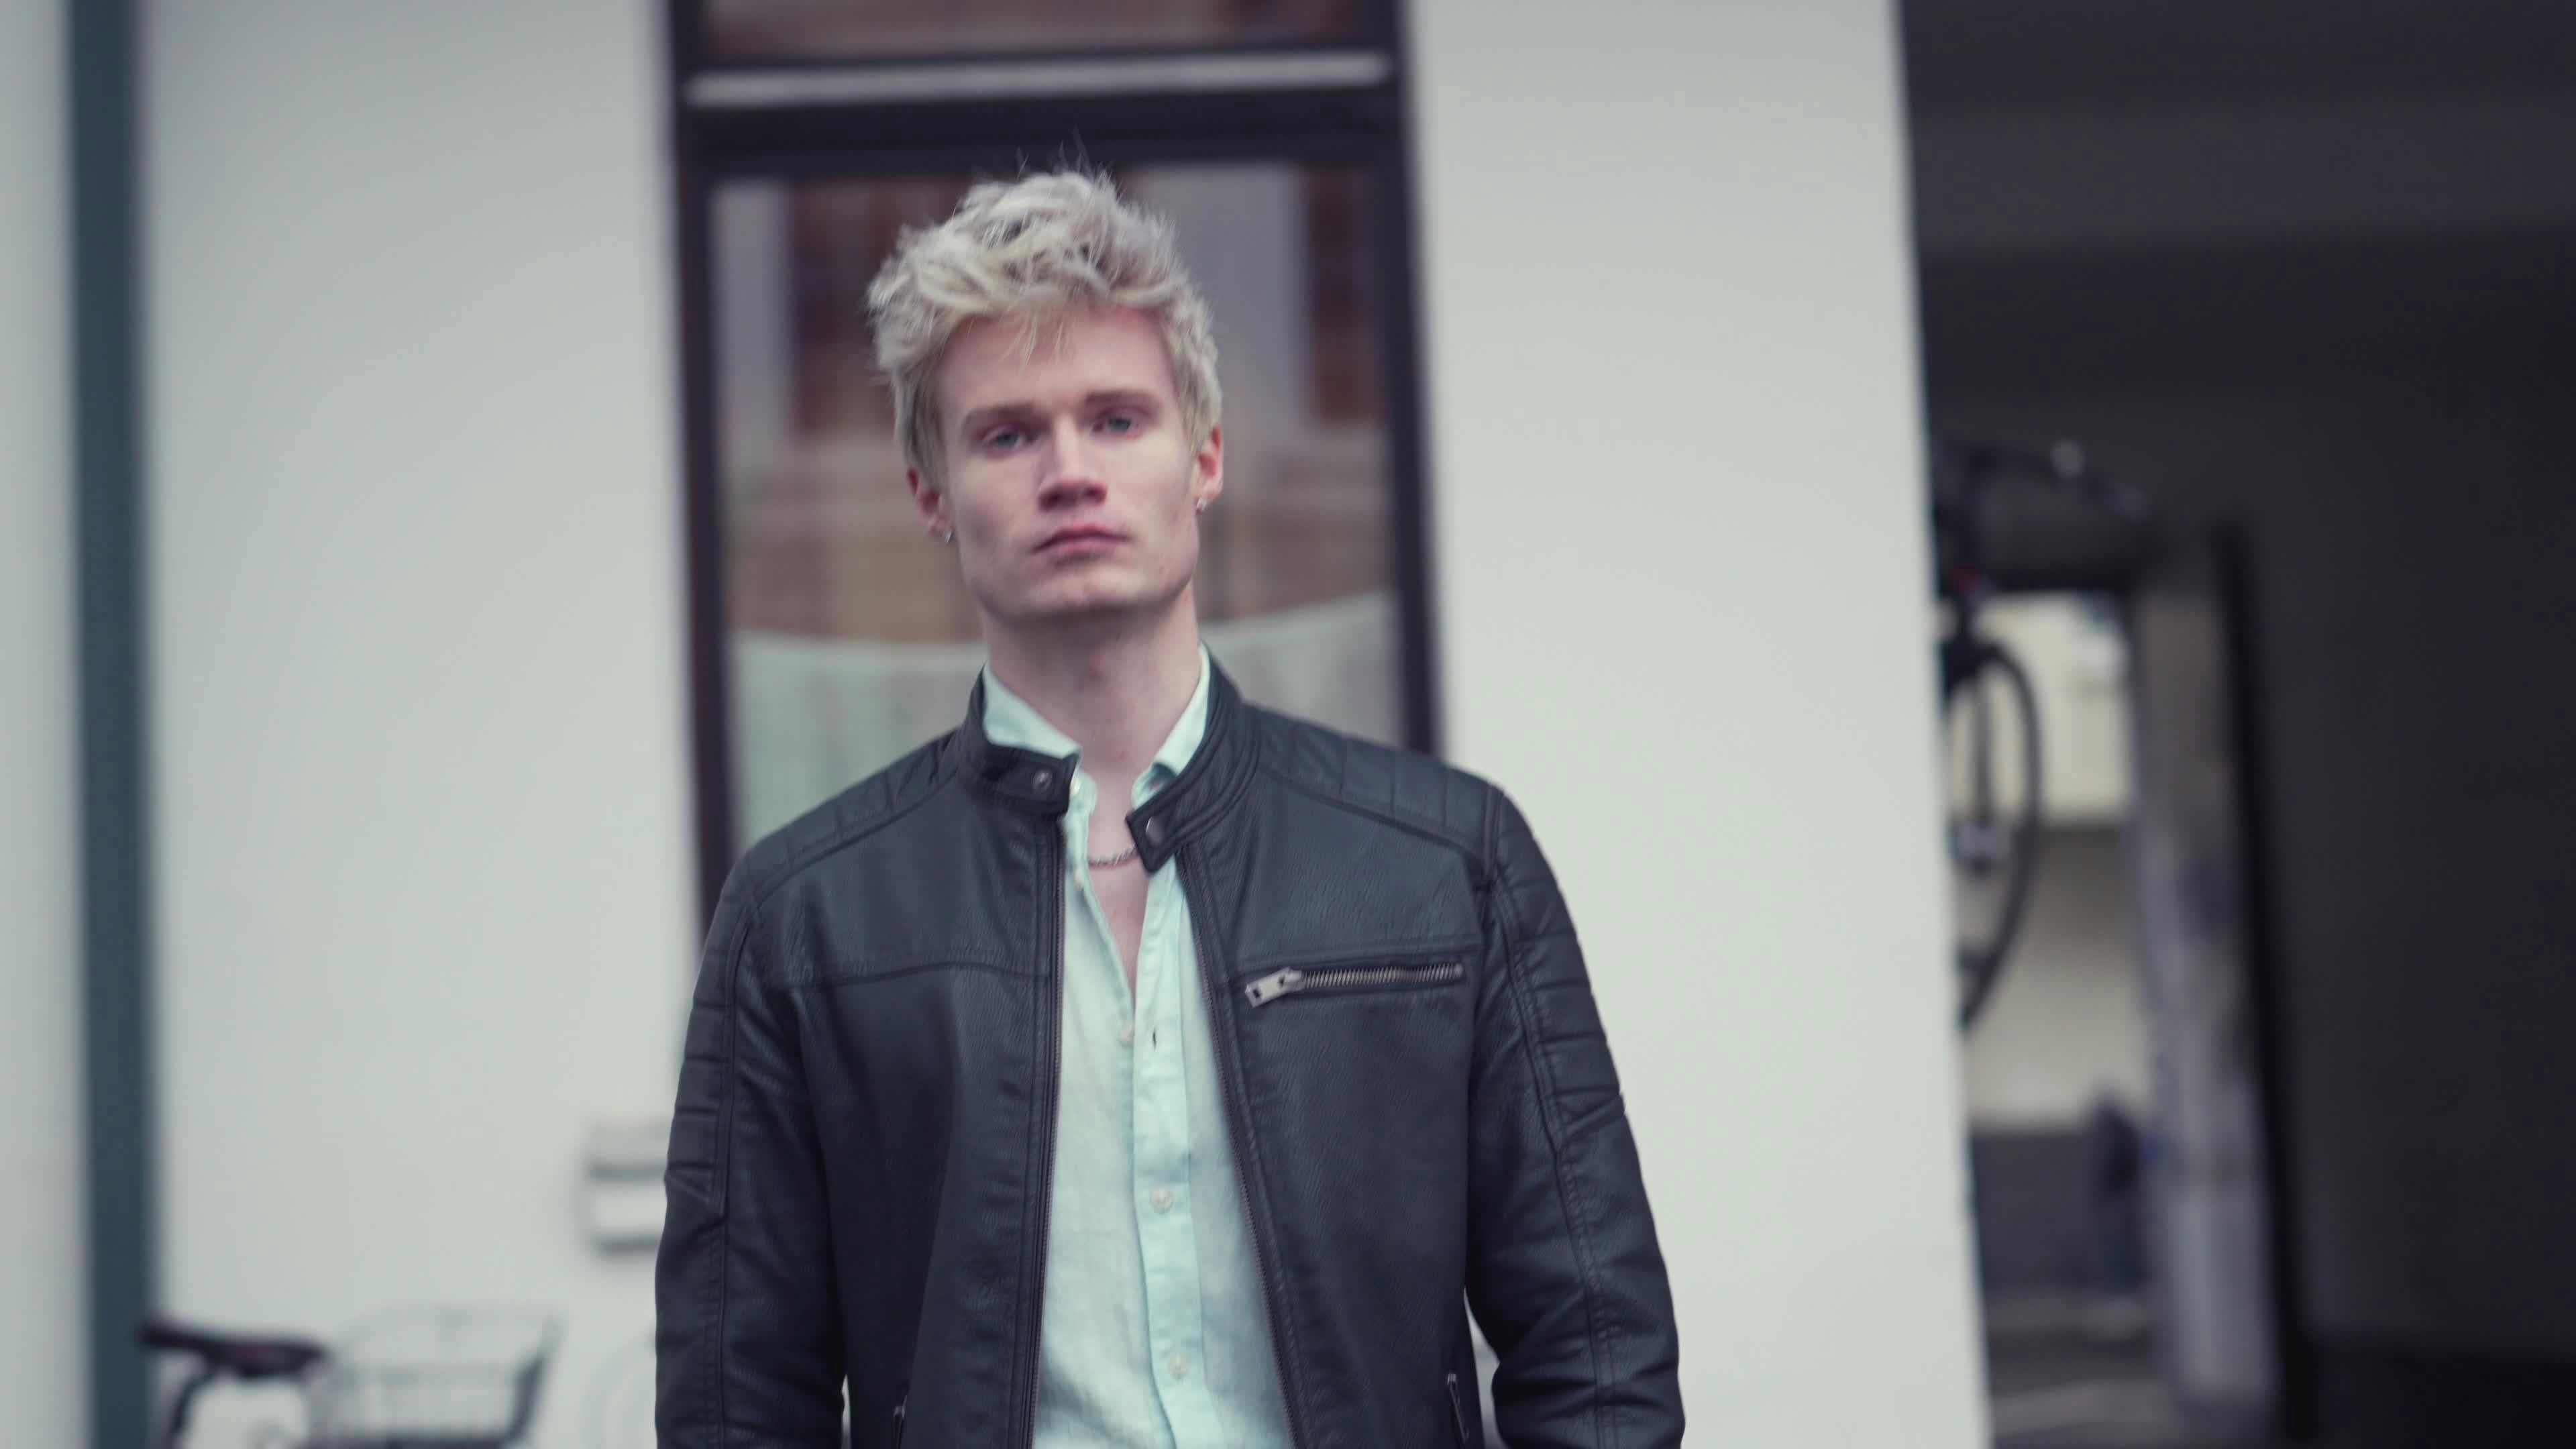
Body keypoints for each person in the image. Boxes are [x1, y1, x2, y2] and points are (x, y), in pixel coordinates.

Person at [655, 170, 1681, 1448]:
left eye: (1117, 419)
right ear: (931, 495)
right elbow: (737, 1406)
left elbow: (1596, 1349)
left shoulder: (1445, 863)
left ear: (1204, 457)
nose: (1069, 472)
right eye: (1007, 435)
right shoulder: (804, 919)